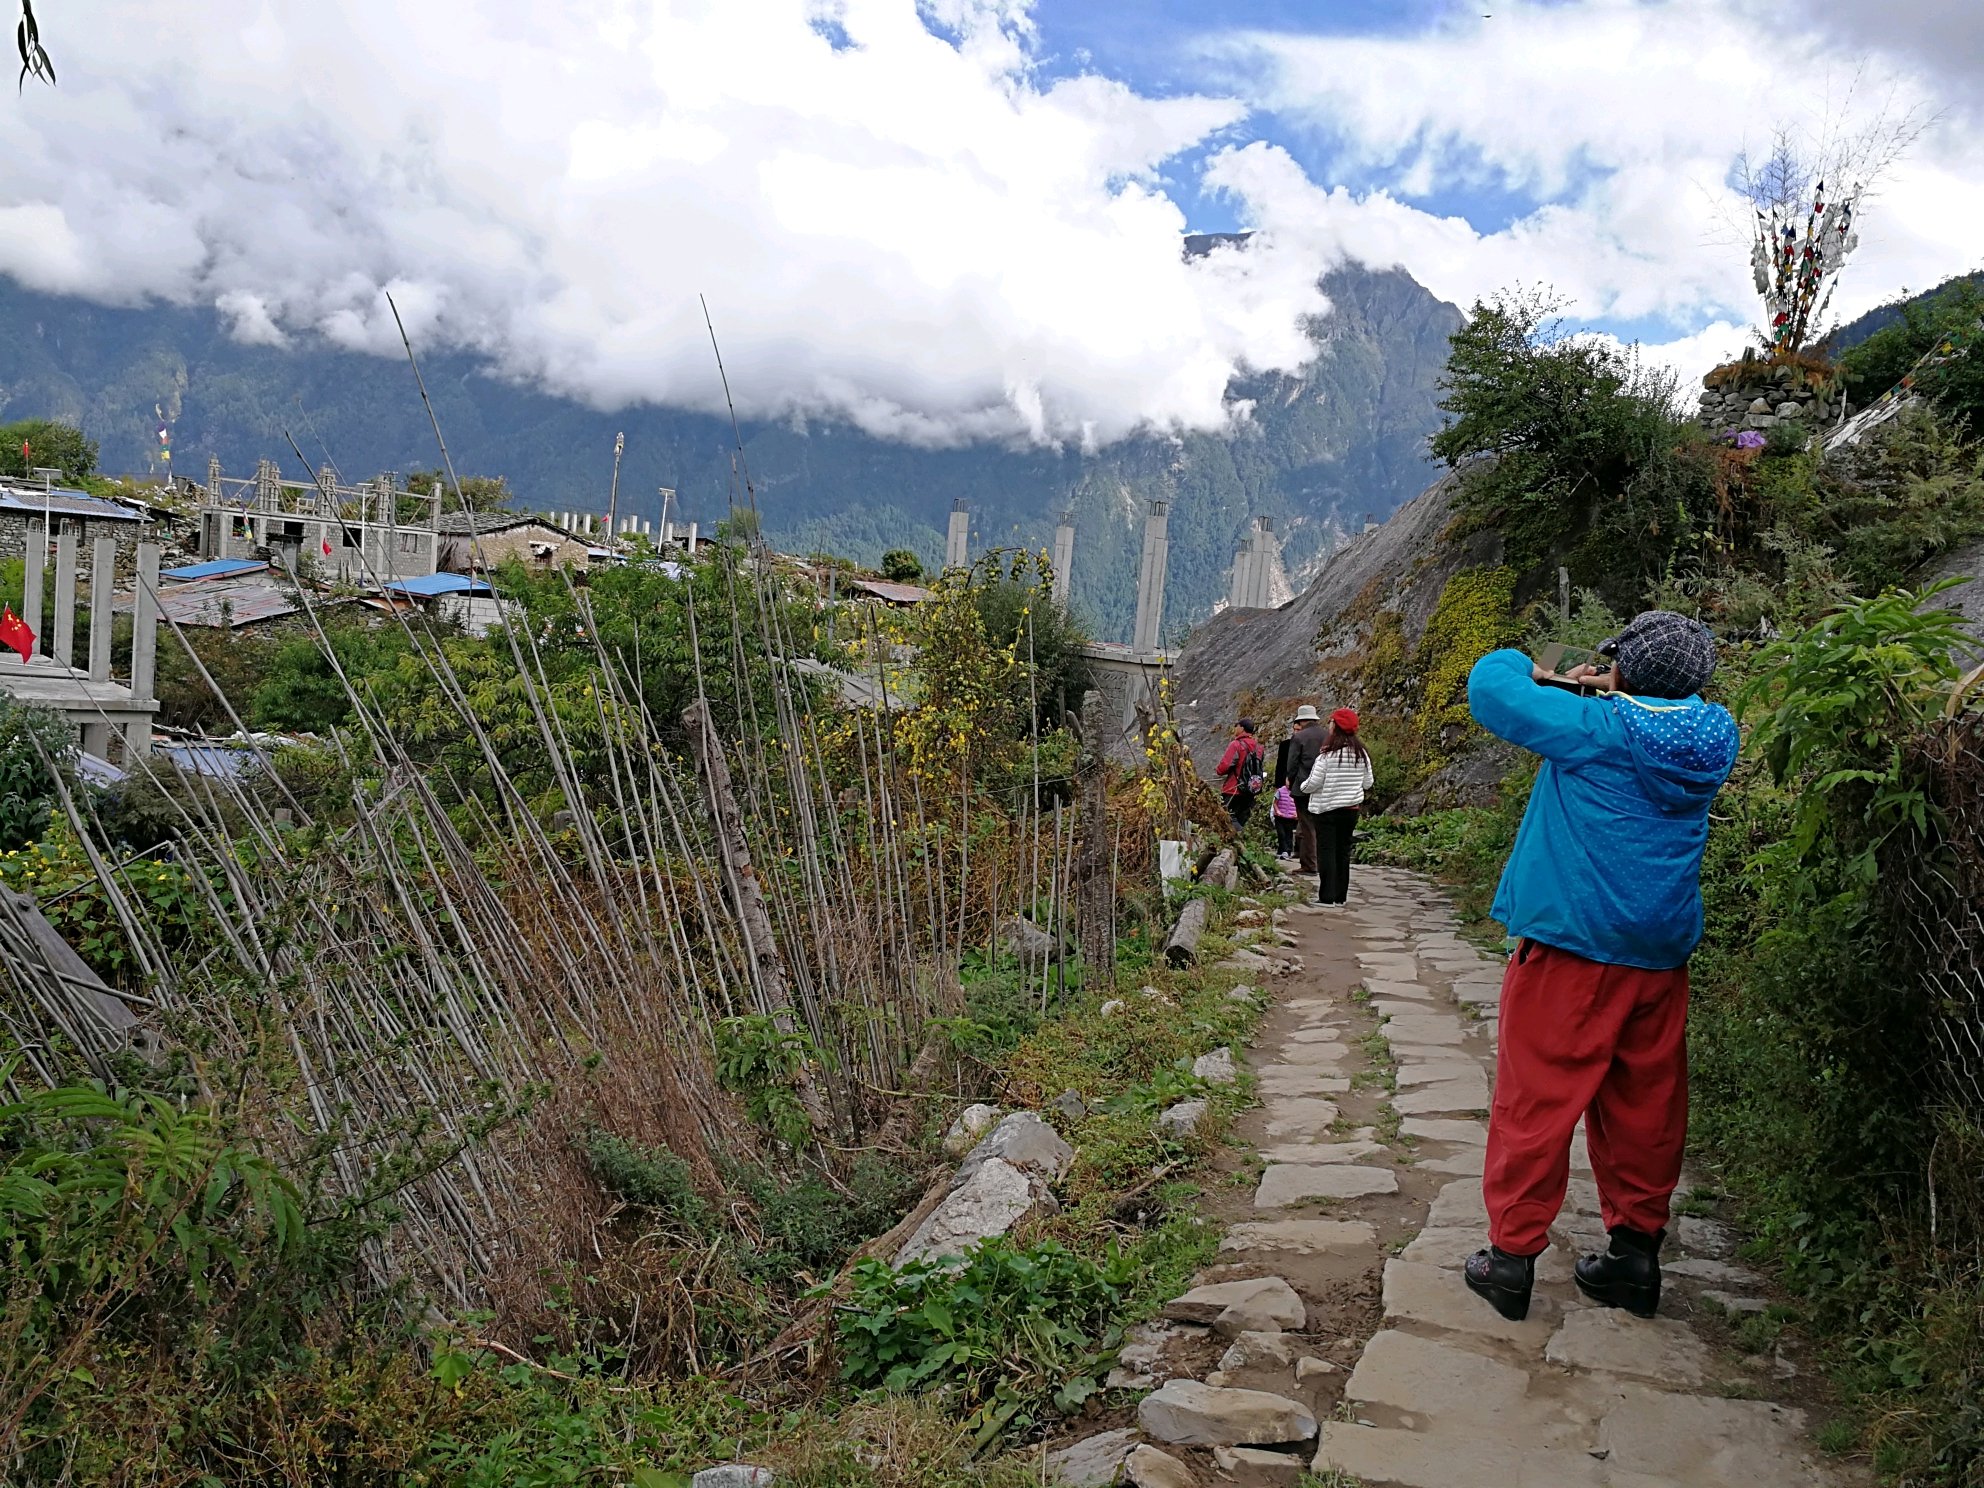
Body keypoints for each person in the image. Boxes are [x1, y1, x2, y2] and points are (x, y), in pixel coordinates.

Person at [1459, 612, 1739, 1324]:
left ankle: (1512, 1259)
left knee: (1538, 1098)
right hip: (1658, 953)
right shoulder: (1715, 737)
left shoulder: (1594, 732)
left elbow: (1490, 685)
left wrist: (1545, 669)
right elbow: (1656, 722)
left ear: (1622, 672)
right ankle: (1633, 1257)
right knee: (1646, 1105)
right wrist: (1610, 689)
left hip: (1573, 948)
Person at [1299, 708, 1372, 905]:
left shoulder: (1327, 755)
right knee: (1343, 852)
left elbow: (1313, 783)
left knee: (1326, 851)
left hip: (1327, 810)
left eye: (1331, 722)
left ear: (1336, 727)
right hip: (1351, 810)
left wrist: (1303, 786)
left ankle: (1326, 896)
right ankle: (1341, 897)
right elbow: (1368, 782)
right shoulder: (1361, 754)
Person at [1283, 704, 1325, 873]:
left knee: (1307, 826)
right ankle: (1323, 863)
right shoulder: (1327, 735)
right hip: (1324, 786)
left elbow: (1292, 763)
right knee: (1320, 826)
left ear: (1301, 720)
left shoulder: (1299, 737)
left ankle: (1309, 864)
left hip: (1303, 786)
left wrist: (1290, 780)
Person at [1214, 717, 1266, 833]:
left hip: (1234, 789)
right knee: (1241, 818)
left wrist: (1218, 770)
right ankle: (1241, 843)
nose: (1235, 728)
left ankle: (1238, 840)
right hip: (1251, 790)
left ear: (1242, 728)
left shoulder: (1236, 744)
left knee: (1227, 816)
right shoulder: (1259, 747)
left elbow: (1225, 766)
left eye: (1237, 726)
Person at [1271, 783, 1299, 858]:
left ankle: (1286, 851)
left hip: (1290, 818)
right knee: (1281, 834)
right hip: (1279, 817)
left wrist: (1296, 813)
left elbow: (1299, 805)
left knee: (1288, 835)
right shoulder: (1280, 791)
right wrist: (1277, 811)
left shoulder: (1296, 791)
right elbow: (1274, 803)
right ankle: (1285, 851)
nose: (1289, 783)